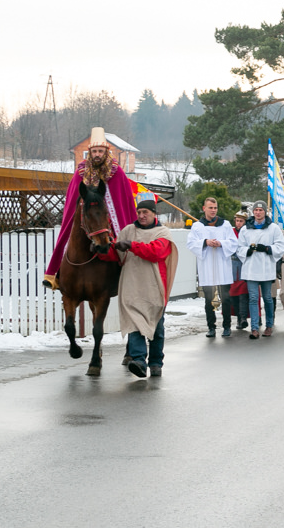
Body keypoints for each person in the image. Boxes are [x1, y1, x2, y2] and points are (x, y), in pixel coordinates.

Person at [43, 127, 137, 290]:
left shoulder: (117, 172)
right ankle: (58, 273)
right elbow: (72, 199)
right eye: (94, 151)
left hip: (108, 219)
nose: (97, 154)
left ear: (106, 152)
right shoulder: (81, 172)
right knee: (69, 237)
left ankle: (127, 272)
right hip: (87, 217)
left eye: (100, 151)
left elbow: (124, 201)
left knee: (122, 241)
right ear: (90, 152)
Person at [110, 192, 178, 379]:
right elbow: (115, 254)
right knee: (135, 324)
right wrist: (101, 251)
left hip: (155, 288)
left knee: (156, 327)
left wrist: (132, 245)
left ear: (154, 213)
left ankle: (156, 362)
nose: (141, 215)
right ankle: (139, 361)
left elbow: (156, 252)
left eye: (145, 212)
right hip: (132, 287)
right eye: (139, 212)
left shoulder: (162, 233)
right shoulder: (127, 230)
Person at [187, 197, 238, 338]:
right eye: (210, 208)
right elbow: (191, 244)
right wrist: (205, 242)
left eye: (215, 208)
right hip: (207, 267)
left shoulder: (226, 225)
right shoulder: (198, 226)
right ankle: (211, 327)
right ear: (204, 208)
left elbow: (234, 243)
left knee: (226, 299)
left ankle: (227, 326)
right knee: (208, 300)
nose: (213, 210)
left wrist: (221, 243)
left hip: (222, 267)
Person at [237, 201, 284, 338]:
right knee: (253, 298)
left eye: (261, 210)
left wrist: (267, 248)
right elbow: (239, 247)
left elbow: (281, 246)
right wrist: (248, 250)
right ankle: (254, 328)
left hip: (266, 268)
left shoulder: (273, 228)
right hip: (251, 268)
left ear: (265, 212)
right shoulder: (246, 228)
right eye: (256, 210)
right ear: (253, 212)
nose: (258, 212)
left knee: (268, 298)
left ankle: (269, 325)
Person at [229, 210, 250, 329]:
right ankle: (238, 317)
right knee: (233, 294)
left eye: (241, 221)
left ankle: (243, 318)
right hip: (232, 266)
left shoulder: (248, 232)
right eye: (237, 221)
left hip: (244, 265)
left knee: (243, 294)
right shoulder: (230, 233)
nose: (238, 223)